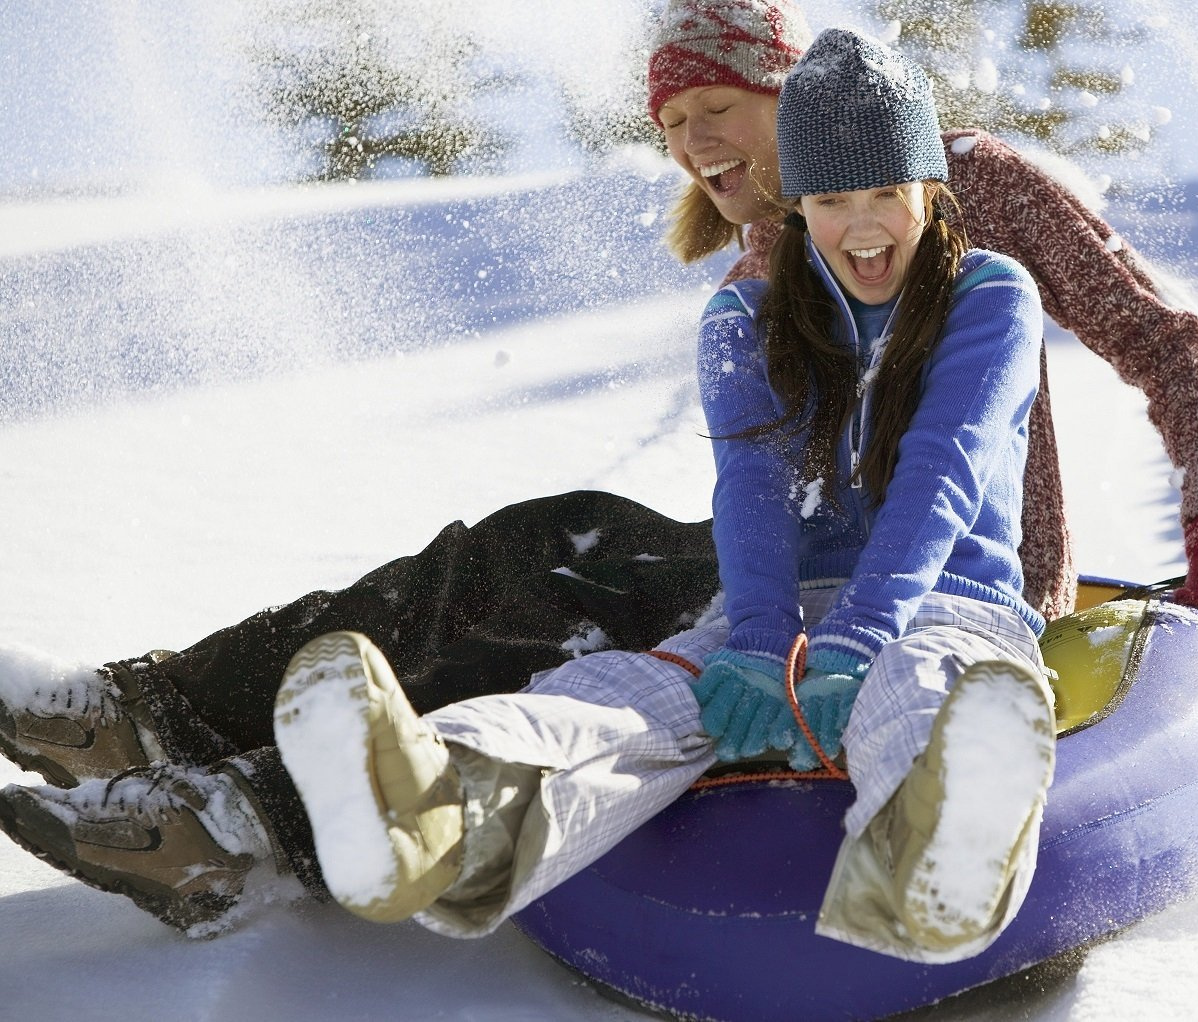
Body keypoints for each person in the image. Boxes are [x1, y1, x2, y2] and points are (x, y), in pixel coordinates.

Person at [0, 0, 1198, 938]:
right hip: (797, 573)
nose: (692, 149)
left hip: (961, 581)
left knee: (553, 564)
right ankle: (164, 724)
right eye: (668, 127)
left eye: (710, 111)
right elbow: (759, 480)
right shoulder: (755, 285)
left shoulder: (969, 195)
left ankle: (229, 817)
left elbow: (1155, 339)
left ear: (789, 89)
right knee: (527, 552)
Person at [272, 28, 1055, 964]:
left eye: (888, 190)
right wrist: (764, 642)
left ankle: (934, 866)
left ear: (930, 186)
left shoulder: (991, 297)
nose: (865, 224)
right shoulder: (743, 318)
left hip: (948, 602)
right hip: (779, 611)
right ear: (798, 205)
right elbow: (753, 490)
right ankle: (442, 805)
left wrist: (860, 632)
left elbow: (945, 465)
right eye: (834, 197)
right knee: (638, 693)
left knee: (922, 682)